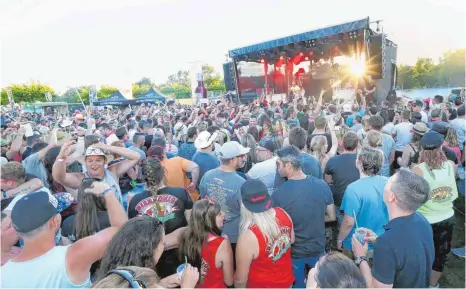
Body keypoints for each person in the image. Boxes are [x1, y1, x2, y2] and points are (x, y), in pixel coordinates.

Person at [1, 182, 127, 288]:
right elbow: (123, 231)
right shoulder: (72, 257)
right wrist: (107, 192)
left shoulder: (3, 274)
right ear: (54, 222)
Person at [352, 168, 434, 288]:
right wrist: (378, 239)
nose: (384, 186)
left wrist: (360, 257)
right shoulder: (422, 221)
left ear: (391, 196)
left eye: (387, 183)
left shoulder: (387, 244)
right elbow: (408, 249)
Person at [272, 146, 335, 288]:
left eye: (278, 164)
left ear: (288, 165)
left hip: (294, 252)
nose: (277, 168)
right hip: (318, 248)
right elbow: (331, 216)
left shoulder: (278, 194)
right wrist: (316, 216)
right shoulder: (322, 185)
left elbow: (276, 225)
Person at [128, 157, 193, 278]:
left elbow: (134, 236)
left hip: (150, 260)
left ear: (143, 177)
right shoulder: (181, 193)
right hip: (179, 255)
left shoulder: (134, 201)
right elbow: (192, 225)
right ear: (163, 172)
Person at [95, 216, 198, 288]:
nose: (164, 245)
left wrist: (162, 284)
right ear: (149, 250)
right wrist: (187, 286)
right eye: (162, 242)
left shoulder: (120, 278)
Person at [412, 131, 458, 288]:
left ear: (423, 149)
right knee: (440, 255)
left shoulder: (418, 170)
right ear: (441, 147)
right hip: (447, 218)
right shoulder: (451, 166)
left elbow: (413, 197)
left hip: (425, 220)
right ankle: (433, 285)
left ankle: (419, 280)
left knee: (421, 252)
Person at [234, 179, 295, 288]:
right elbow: (292, 240)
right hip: (286, 282)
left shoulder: (248, 236)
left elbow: (240, 279)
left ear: (243, 203)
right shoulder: (283, 213)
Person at [199, 141, 249, 258]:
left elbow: (203, 201)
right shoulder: (241, 183)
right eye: (241, 156)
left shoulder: (207, 175)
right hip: (233, 235)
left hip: (210, 232)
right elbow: (246, 213)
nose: (244, 158)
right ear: (233, 160)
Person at [337, 147, 389, 254]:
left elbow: (348, 222)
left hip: (358, 244)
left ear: (360, 163)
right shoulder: (389, 182)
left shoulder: (353, 189)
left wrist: (339, 239)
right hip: (383, 240)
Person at [53, 142, 141, 204]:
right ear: (85, 163)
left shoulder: (112, 171)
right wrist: (61, 157)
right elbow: (59, 177)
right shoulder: (81, 178)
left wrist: (107, 147)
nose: (94, 164)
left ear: (104, 161)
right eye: (90, 161)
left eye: (98, 160)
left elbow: (135, 157)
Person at [178, 199, 234, 288]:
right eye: (219, 214)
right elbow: (229, 281)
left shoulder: (185, 235)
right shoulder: (222, 244)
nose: (224, 214)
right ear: (209, 221)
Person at [324, 131, 360, 224]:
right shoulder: (362, 160)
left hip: (340, 201)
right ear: (357, 144)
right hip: (358, 201)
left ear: (342, 144)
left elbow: (328, 181)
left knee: (342, 223)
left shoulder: (332, 161)